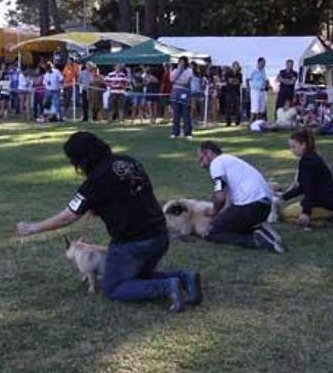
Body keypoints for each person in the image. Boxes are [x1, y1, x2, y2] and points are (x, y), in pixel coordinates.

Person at [16, 132, 199, 312]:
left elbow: (68, 216)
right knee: (136, 276)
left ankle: (167, 287)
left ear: (81, 160)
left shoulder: (94, 182)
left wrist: (33, 228)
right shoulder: (129, 161)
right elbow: (131, 192)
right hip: (160, 236)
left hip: (133, 243)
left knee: (112, 288)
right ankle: (185, 277)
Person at [197, 141, 284, 253]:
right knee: (228, 224)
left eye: (201, 158)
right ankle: (260, 230)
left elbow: (220, 197)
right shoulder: (230, 161)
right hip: (264, 206)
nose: (200, 163)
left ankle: (256, 240)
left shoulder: (216, 163)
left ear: (209, 153)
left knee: (210, 232)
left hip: (250, 206)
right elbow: (228, 201)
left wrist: (214, 211)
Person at [281, 129, 333, 228]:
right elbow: (303, 187)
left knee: (285, 214)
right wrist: (284, 197)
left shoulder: (307, 162)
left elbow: (310, 189)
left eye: (293, 147)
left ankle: (321, 222)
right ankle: (322, 218)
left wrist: (306, 212)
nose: (291, 150)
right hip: (330, 202)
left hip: (325, 204)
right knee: (290, 211)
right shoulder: (312, 158)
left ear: (303, 145)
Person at [170, 56, 193, 139]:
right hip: (175, 94)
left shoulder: (189, 71)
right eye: (180, 62)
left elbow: (186, 81)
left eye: (183, 62)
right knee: (176, 114)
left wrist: (178, 81)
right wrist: (179, 71)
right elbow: (172, 80)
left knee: (186, 114)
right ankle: (175, 133)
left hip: (185, 94)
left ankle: (188, 133)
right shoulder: (175, 70)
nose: (181, 64)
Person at [223, 62, 242, 126]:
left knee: (237, 108)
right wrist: (234, 81)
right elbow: (229, 81)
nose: (236, 67)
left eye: (237, 66)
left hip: (236, 93)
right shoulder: (228, 73)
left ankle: (237, 122)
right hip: (229, 92)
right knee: (228, 107)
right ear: (233, 66)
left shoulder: (239, 74)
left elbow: (238, 82)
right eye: (235, 66)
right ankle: (228, 122)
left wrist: (233, 81)